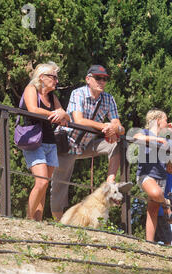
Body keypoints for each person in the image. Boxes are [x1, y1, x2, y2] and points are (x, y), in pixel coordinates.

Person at [50, 65, 131, 221]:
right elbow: (79, 120)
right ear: (88, 79)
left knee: (117, 143)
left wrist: (115, 128)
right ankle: (60, 225)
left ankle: (110, 185)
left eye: (105, 79)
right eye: (98, 78)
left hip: (86, 145)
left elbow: (120, 126)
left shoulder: (108, 99)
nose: (102, 81)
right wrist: (105, 127)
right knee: (59, 187)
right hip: (68, 144)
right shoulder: (78, 93)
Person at [20, 61, 70, 221]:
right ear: (42, 77)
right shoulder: (31, 89)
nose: (56, 81)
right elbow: (32, 109)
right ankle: (28, 219)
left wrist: (62, 114)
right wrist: (54, 114)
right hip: (34, 141)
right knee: (41, 182)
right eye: (53, 77)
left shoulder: (52, 96)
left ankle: (37, 221)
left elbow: (65, 116)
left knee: (44, 185)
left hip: (50, 143)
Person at [133, 110, 172, 242]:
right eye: (165, 119)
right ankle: (166, 205)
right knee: (156, 193)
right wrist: (156, 139)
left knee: (152, 211)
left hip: (161, 178)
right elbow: (136, 138)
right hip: (145, 175)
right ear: (157, 120)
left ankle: (149, 243)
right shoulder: (145, 133)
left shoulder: (166, 140)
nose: (167, 122)